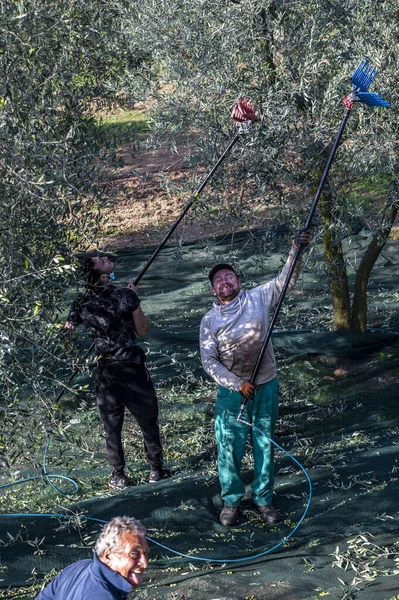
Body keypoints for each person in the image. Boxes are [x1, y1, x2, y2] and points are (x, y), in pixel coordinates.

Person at [200, 230, 311, 527]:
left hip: (265, 385)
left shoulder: (258, 298)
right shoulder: (210, 321)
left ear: (238, 281)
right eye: (219, 280)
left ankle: (263, 498)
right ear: (214, 290)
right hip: (232, 391)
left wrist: (295, 251)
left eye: (229, 277)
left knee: (264, 443)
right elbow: (208, 361)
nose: (225, 282)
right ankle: (232, 500)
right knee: (230, 446)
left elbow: (286, 281)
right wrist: (237, 384)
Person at [65, 255, 170, 489]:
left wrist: (77, 360)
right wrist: (135, 300)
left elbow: (67, 332)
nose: (105, 259)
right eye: (100, 261)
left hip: (106, 372)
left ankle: (118, 475)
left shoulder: (80, 302)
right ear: (100, 274)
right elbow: (142, 330)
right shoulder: (125, 295)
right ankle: (156, 470)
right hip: (131, 367)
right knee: (148, 420)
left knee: (111, 426)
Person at [35, 516, 149, 600]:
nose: (144, 563)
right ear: (108, 556)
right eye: (134, 554)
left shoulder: (80, 566)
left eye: (145, 553)